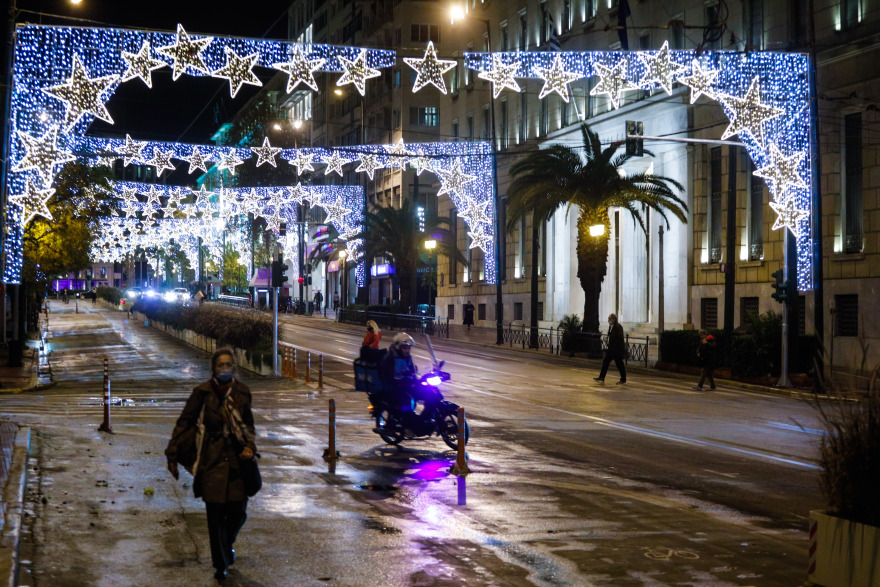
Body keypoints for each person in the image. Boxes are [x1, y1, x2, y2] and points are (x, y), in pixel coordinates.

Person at [165, 349, 257, 582]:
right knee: (215, 519)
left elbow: (248, 425)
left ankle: (227, 544)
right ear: (213, 368)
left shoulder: (242, 393)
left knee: (238, 513)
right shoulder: (202, 393)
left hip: (238, 461)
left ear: (234, 368)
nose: (224, 369)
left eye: (228, 365)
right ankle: (220, 564)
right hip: (211, 461)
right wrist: (172, 454)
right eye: (220, 365)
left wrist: (250, 447)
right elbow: (184, 423)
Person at [594, 313, 626, 384]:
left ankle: (623, 379)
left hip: (617, 349)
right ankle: (602, 377)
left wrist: (615, 346)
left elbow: (620, 338)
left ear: (614, 319)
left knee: (619, 364)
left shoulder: (618, 327)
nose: (608, 320)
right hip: (612, 349)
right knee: (606, 361)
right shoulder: (611, 326)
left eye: (609, 319)